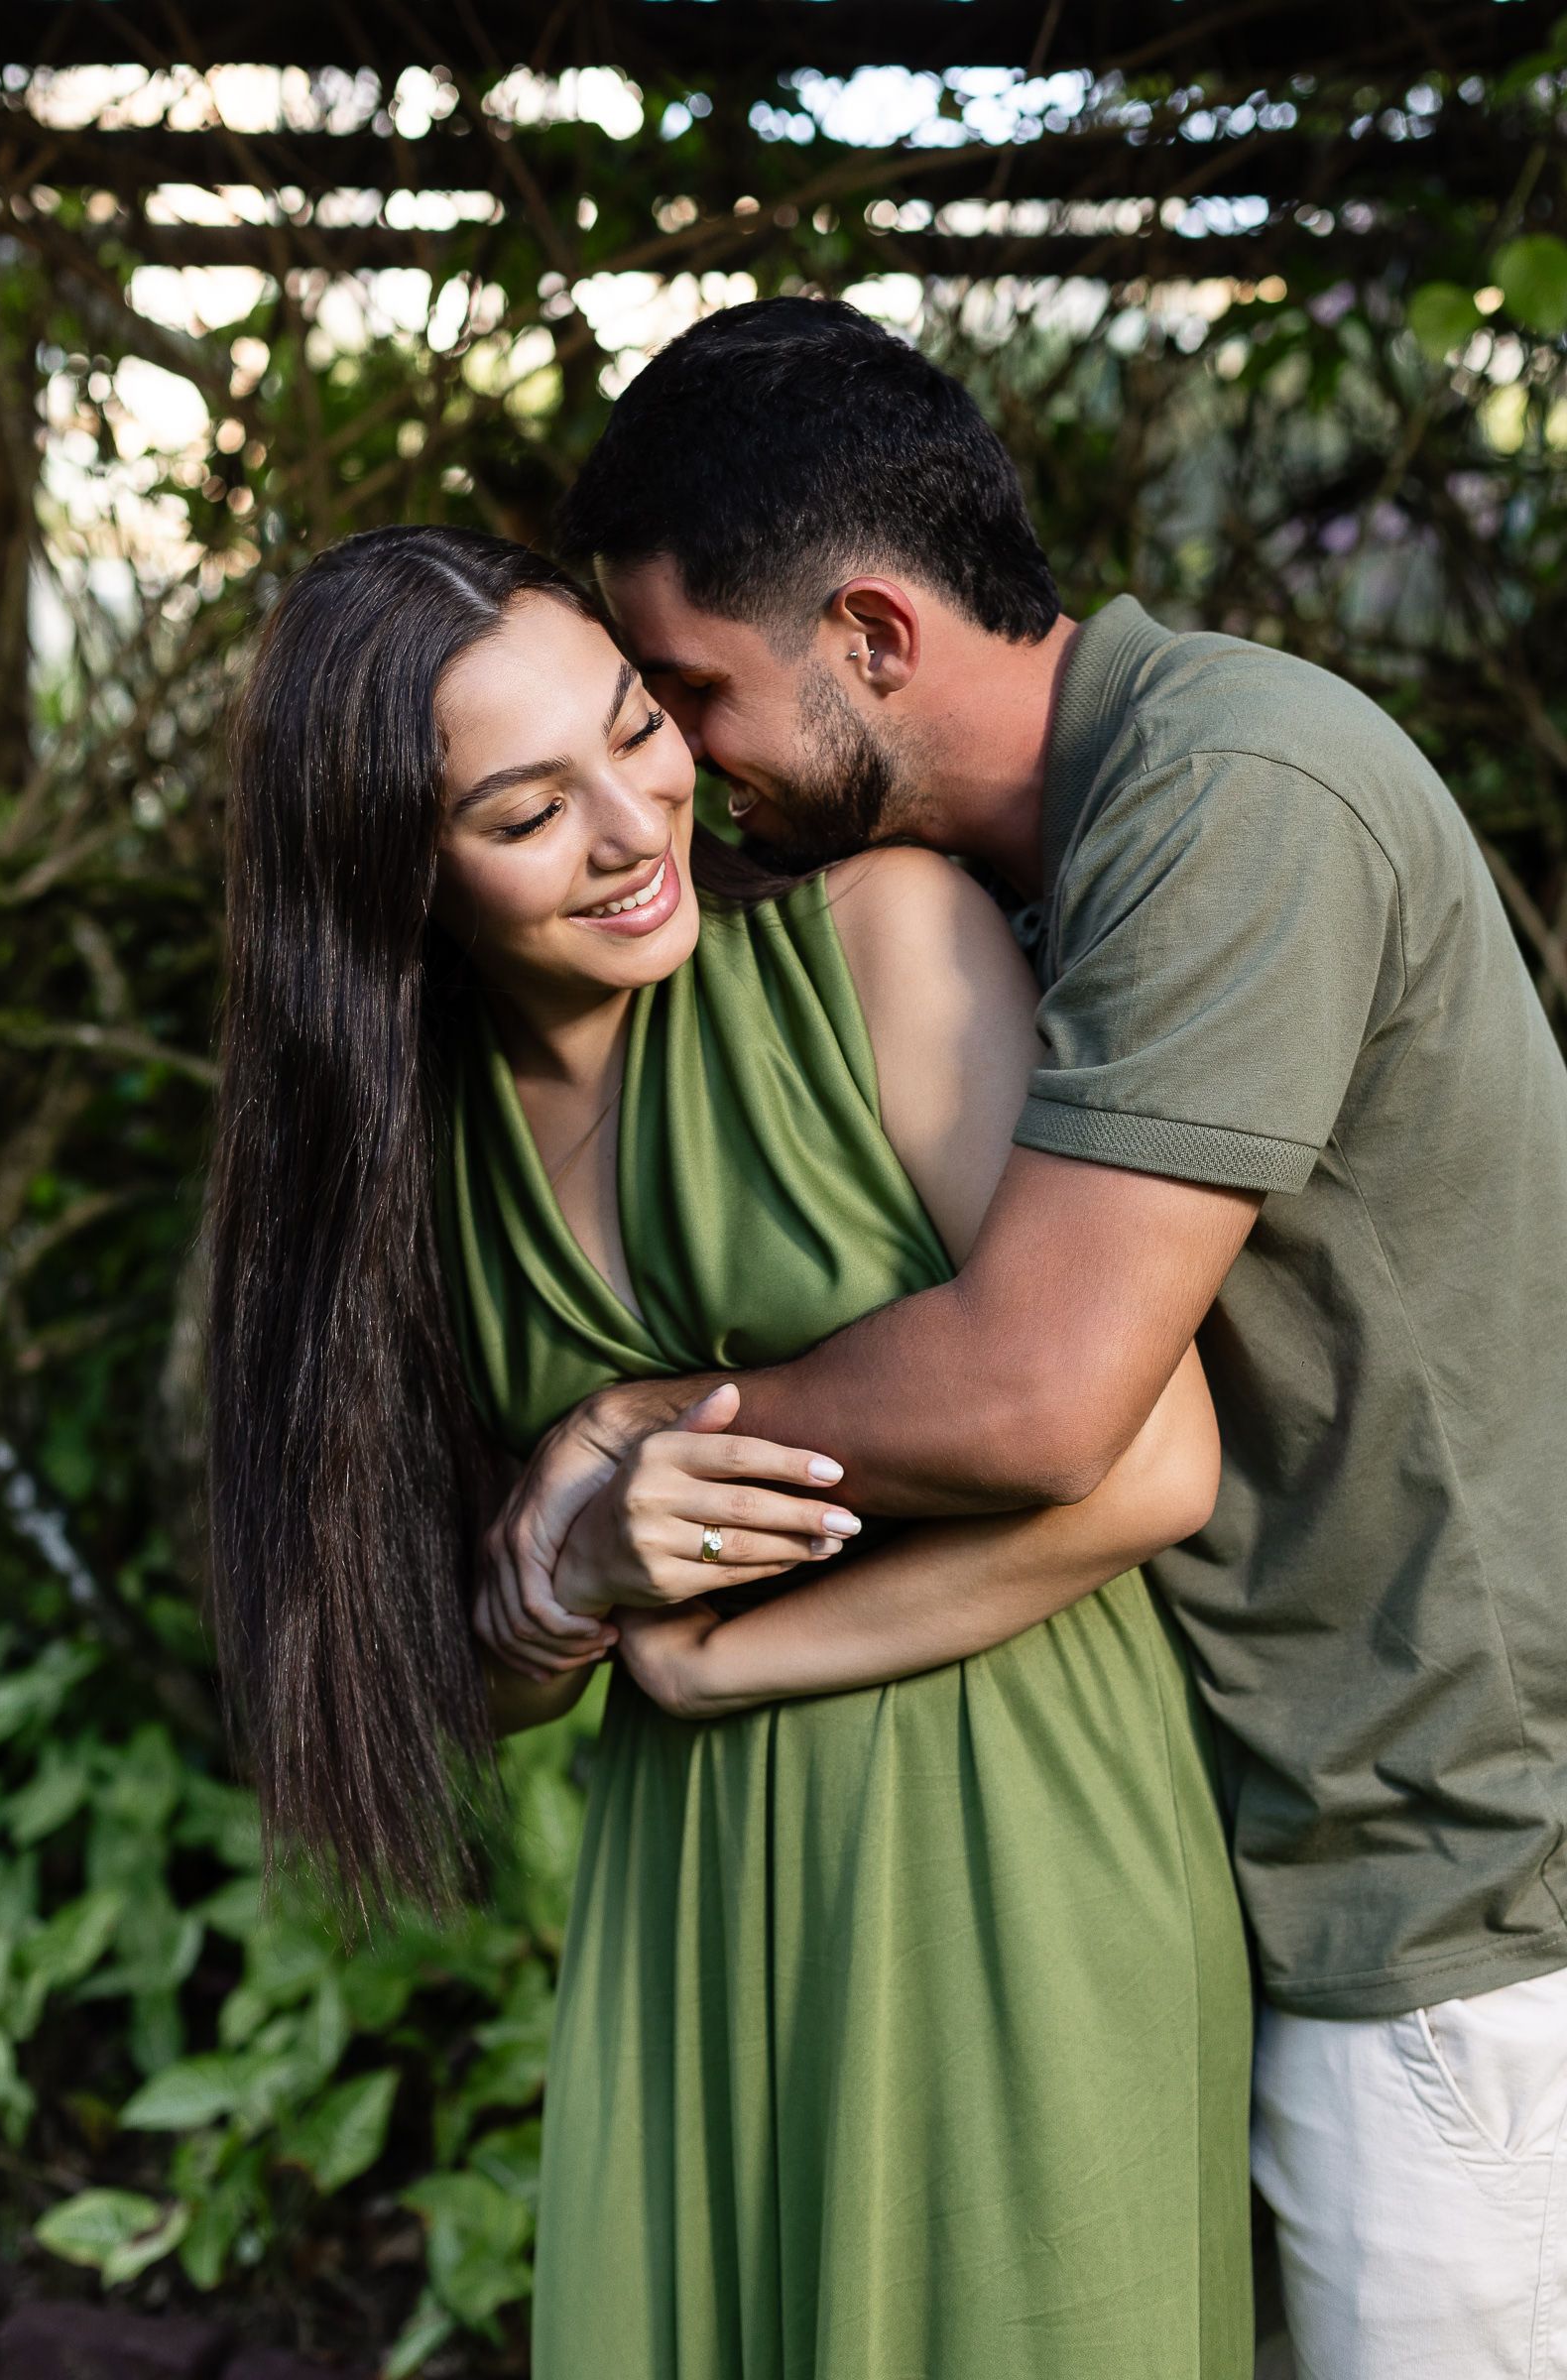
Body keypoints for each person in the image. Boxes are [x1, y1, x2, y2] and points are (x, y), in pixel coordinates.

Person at [486, 298, 1567, 2380]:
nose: (677, 773)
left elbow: (1042, 1391)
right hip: (1276, 1864)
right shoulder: (1028, 868)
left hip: (1449, 1909)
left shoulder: (1235, 793)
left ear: (871, 637)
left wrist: (640, 1442)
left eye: (688, 694)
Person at [206, 526, 1254, 2379]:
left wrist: (713, 1652)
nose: (634, 827)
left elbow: (1155, 1464)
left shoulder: (877, 944)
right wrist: (572, 1589)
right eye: (529, 810)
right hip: (686, 1895)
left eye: (638, 729)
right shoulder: (400, 1154)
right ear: (396, 875)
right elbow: (446, 1667)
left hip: (1014, 1831)